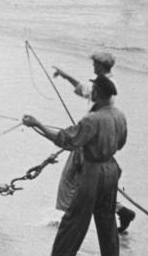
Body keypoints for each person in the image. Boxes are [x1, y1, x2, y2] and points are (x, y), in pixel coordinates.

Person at [23, 55, 127, 255]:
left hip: (93, 171)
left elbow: (65, 140)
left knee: (74, 219)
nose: (92, 91)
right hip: (112, 170)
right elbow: (121, 143)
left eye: (94, 89)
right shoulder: (120, 115)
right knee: (106, 220)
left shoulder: (92, 120)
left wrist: (37, 124)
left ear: (98, 92)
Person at [50, 54, 136, 234]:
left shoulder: (106, 85)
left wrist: (86, 128)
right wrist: (66, 76)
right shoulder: (105, 83)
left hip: (90, 142)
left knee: (71, 179)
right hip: (92, 138)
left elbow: (90, 96)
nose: (93, 66)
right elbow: (85, 91)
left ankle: (71, 217)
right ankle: (121, 210)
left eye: (95, 64)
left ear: (101, 65)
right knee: (87, 185)